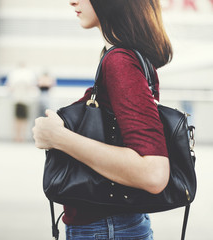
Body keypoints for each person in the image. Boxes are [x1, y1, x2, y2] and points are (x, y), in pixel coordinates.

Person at [32, 0, 172, 239]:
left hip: (107, 229)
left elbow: (153, 173)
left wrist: (59, 138)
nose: (72, 1)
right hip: (113, 225)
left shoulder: (120, 62)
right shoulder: (123, 57)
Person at [7, 62, 36, 142]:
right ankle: (19, 137)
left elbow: (10, 86)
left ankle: (19, 137)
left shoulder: (15, 74)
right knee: (21, 119)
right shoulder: (27, 75)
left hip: (20, 99)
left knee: (19, 119)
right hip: (22, 100)